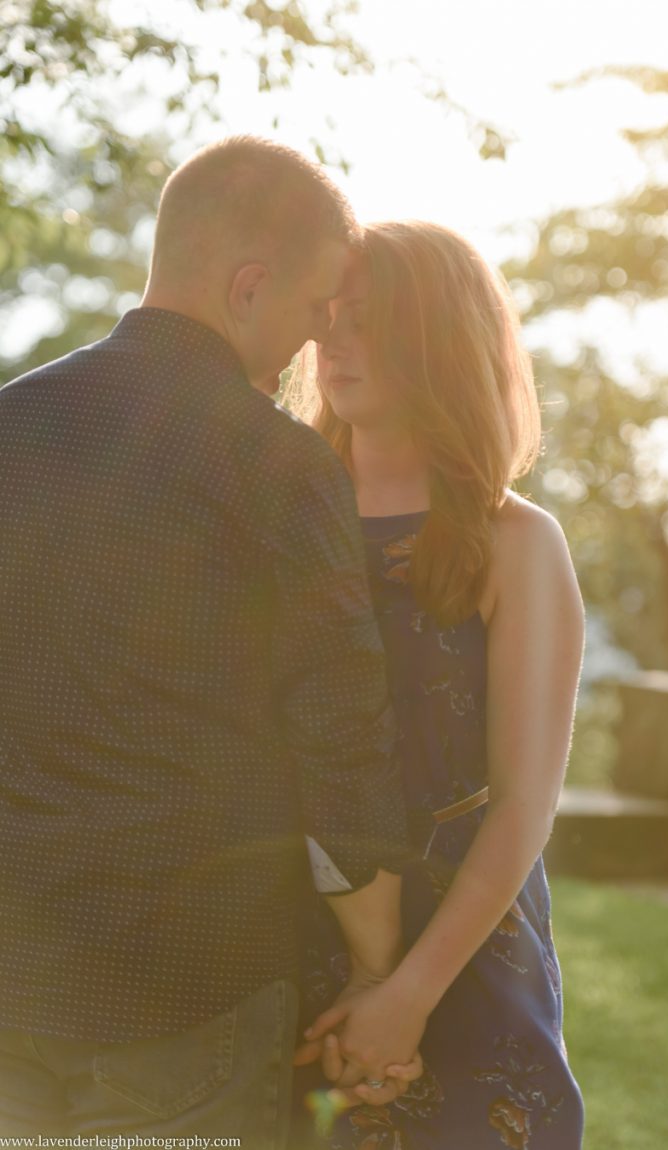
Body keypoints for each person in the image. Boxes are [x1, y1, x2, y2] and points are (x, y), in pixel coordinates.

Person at [0, 137, 418, 1143]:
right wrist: (376, 968)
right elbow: (340, 744)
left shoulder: (13, 424)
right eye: (318, 306)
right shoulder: (277, 460)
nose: (321, 334)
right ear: (247, 286)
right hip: (190, 991)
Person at [290, 220, 586, 1149]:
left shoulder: (516, 542)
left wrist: (407, 994)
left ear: (441, 337)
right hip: (289, 934)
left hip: (465, 952)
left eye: (366, 320)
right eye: (325, 316)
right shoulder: (282, 519)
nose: (332, 340)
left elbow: (524, 805)